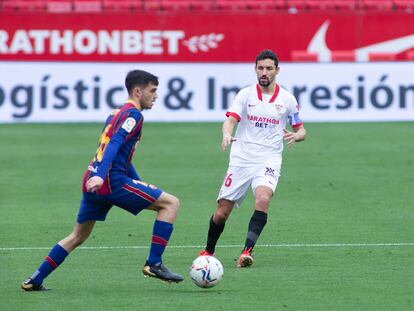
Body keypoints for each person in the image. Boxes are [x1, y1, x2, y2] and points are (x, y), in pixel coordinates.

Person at [21, 70, 184, 291]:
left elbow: (117, 152)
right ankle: (154, 263)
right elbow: (115, 143)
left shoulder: (116, 113)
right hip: (109, 181)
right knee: (171, 204)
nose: (156, 95)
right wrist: (103, 176)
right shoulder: (134, 115)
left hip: (93, 180)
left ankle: (35, 279)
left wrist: (134, 181)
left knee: (77, 236)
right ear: (138, 91)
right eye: (152, 90)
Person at [199, 49, 306, 268]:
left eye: (268, 68)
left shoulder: (287, 100)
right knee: (221, 213)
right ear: (255, 69)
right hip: (241, 159)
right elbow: (230, 119)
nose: (264, 72)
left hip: (269, 159)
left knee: (263, 199)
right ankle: (208, 250)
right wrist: (227, 133)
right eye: (260, 68)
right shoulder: (245, 95)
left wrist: (296, 135)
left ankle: (247, 251)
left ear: (277, 70)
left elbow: (301, 129)